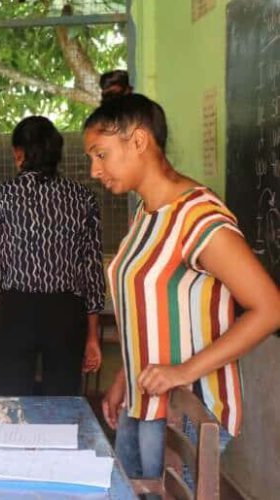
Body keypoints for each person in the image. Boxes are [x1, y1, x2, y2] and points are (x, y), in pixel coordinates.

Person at [85, 94, 280, 479]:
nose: (94, 170)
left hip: (186, 408)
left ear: (138, 141)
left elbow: (270, 308)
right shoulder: (146, 214)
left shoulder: (197, 217)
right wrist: (126, 376)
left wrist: (184, 370)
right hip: (145, 402)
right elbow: (148, 307)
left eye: (100, 154)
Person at [0, 116, 104, 397]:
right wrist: (92, 335)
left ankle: (9, 441)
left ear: (19, 153)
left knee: (9, 402)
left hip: (17, 308)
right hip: (66, 312)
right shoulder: (83, 198)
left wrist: (0, 299)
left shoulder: (0, 197)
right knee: (62, 402)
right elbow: (92, 269)